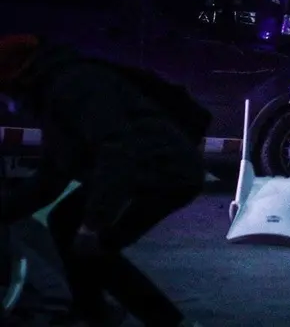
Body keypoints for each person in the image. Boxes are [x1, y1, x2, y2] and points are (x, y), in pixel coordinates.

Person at [0, 34, 209, 327]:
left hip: (165, 173)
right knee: (65, 222)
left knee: (95, 248)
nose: (6, 104)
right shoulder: (52, 91)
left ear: (16, 78)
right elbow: (51, 178)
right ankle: (93, 312)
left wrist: (94, 222)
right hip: (143, 170)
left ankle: (167, 322)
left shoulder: (72, 86)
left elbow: (116, 152)